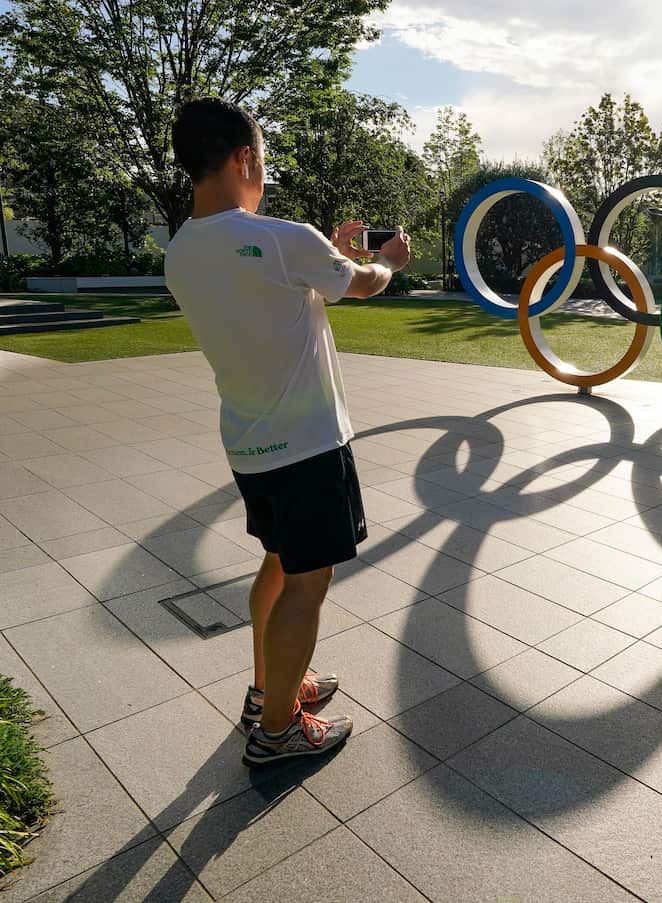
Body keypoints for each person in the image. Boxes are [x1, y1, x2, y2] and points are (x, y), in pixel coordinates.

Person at [166, 98, 411, 766]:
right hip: (308, 444)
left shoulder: (181, 253)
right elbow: (359, 283)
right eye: (262, 159)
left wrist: (327, 251)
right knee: (307, 581)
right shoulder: (282, 237)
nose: (264, 174)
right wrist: (387, 258)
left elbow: (284, 282)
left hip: (250, 444)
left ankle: (268, 688)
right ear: (243, 157)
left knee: (277, 563)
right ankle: (277, 729)